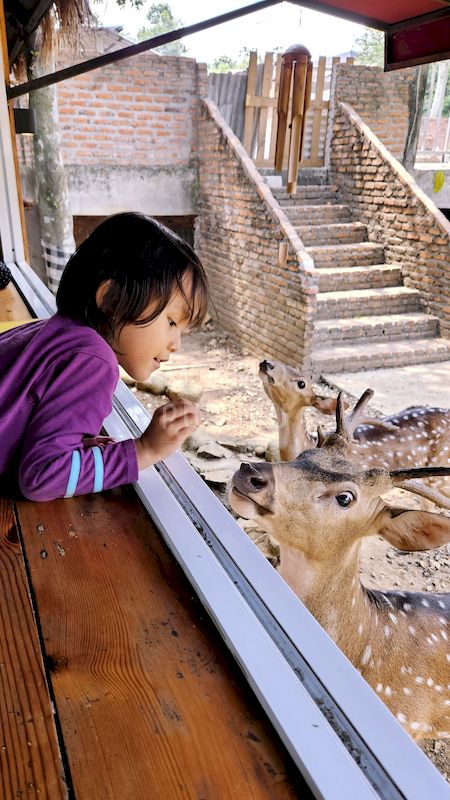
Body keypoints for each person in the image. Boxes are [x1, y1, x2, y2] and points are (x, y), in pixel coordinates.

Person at [0, 213, 209, 502]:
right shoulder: (93, 359)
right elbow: (41, 477)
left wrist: (74, 447)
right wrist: (144, 450)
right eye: (172, 322)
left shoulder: (55, 331)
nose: (176, 343)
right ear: (112, 300)